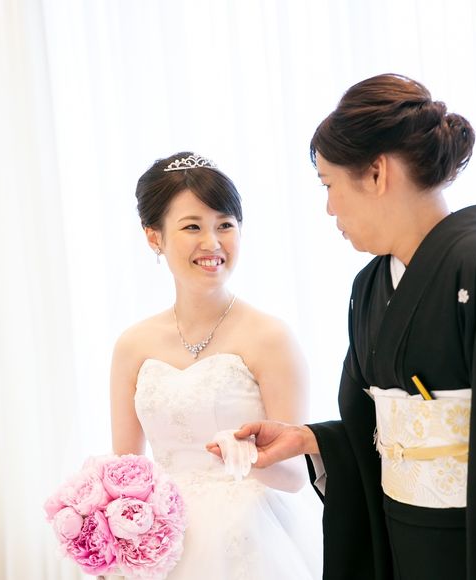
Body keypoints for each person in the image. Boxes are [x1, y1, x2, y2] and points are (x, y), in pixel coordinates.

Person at [214, 74, 476, 580]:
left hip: (475, 550)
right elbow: (377, 428)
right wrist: (310, 440)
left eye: (329, 185)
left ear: (376, 173)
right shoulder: (371, 285)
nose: (329, 207)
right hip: (402, 544)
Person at [109, 152, 323, 579]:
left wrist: (250, 458)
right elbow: (125, 472)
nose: (212, 243)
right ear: (154, 236)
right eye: (192, 227)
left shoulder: (270, 337)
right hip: (162, 542)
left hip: (252, 539)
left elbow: (296, 474)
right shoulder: (133, 345)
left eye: (225, 225)